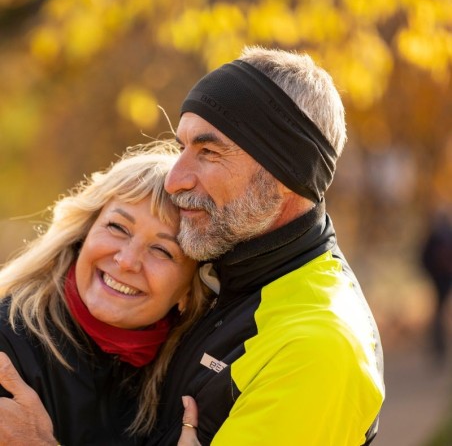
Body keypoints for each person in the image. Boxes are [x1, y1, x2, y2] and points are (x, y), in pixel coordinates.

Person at [0, 45, 385, 445]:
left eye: (208, 152)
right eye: (182, 147)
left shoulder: (318, 347)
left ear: (284, 172)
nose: (175, 179)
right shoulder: (231, 284)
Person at [0, 142, 210, 445]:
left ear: (189, 290)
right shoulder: (9, 346)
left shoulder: (188, 385)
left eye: (162, 250)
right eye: (118, 227)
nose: (126, 261)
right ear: (84, 233)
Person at [421, 206, 452, 364]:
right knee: (440, 313)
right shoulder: (442, 236)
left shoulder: (435, 236)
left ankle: (439, 347)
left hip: (440, 279)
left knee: (439, 312)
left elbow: (423, 258)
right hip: (441, 279)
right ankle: (439, 347)